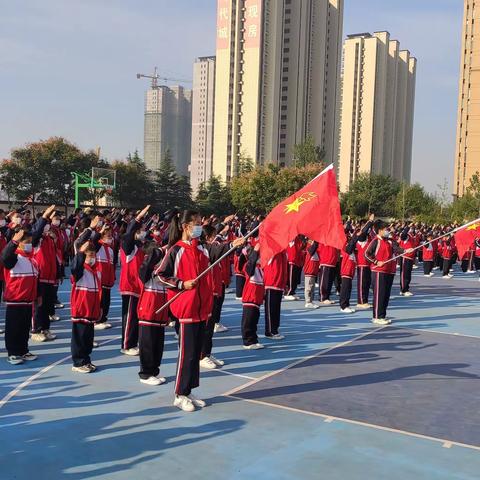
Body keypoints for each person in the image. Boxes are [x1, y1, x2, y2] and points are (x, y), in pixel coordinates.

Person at [156, 210, 213, 412]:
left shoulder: (202, 249)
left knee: (195, 353)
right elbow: (159, 275)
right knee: (186, 354)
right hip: (186, 309)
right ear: (185, 226)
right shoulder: (175, 251)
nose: (199, 226)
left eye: (201, 222)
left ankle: (188, 390)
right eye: (196, 223)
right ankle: (179, 394)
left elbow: (220, 251)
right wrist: (181, 284)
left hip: (201, 309)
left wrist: (235, 245)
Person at [1, 227, 39, 364]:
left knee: (24, 327)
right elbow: (4, 256)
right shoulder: (14, 257)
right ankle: (13, 352)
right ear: (19, 242)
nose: (29, 244)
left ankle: (23, 350)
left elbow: (36, 278)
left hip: (28, 300)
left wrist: (37, 295)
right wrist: (14, 242)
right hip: (15, 300)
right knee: (13, 327)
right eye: (26, 241)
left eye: (30, 241)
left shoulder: (32, 259)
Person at [365, 220, 414, 325]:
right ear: (379, 231)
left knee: (386, 294)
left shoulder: (390, 241)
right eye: (385, 229)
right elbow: (367, 254)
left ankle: (382, 315)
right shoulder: (375, 241)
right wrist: (376, 262)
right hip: (378, 271)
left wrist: (406, 251)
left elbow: (397, 249)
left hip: (389, 271)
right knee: (379, 294)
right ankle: (377, 316)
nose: (387, 231)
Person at [119, 205, 150, 355]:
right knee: (129, 317)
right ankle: (126, 345)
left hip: (138, 286)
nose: (144, 232)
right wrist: (137, 219)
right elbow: (129, 233)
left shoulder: (140, 247)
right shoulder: (128, 247)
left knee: (135, 316)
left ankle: (132, 342)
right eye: (141, 230)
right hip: (130, 286)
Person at [137, 242, 168, 386]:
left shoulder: (164, 271)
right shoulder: (146, 271)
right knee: (147, 345)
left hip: (160, 313)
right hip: (148, 312)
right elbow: (146, 265)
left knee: (158, 345)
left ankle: (154, 371)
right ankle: (145, 373)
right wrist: (160, 251)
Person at [70, 241, 102, 373]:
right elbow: (75, 266)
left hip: (91, 311)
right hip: (81, 310)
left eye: (94, 255)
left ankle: (86, 360)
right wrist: (81, 253)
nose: (92, 258)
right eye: (89, 255)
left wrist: (99, 308)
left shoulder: (96, 272)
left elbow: (98, 292)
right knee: (80, 338)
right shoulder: (80, 271)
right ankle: (78, 362)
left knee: (88, 339)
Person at [31, 205, 58, 342]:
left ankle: (45, 329)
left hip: (49, 278)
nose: (48, 226)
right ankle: (36, 330)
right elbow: (35, 232)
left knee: (47, 305)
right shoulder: (36, 240)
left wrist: (57, 275)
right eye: (46, 224)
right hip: (39, 277)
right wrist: (44, 217)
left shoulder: (50, 240)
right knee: (39, 305)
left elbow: (53, 259)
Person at [241, 243, 265, 349]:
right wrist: (255, 251)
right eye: (258, 256)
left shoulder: (260, 268)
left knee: (254, 321)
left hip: (257, 300)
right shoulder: (248, 266)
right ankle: (247, 341)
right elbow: (250, 268)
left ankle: (253, 339)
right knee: (248, 321)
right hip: (249, 299)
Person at [263, 251, 287, 340]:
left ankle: (275, 330)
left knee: (276, 309)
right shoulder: (271, 249)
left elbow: (284, 268)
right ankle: (269, 331)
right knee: (270, 309)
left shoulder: (283, 252)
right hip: (271, 282)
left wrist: (285, 283)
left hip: (279, 284)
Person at [303, 240, 320, 309]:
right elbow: (312, 249)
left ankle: (311, 301)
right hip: (309, 271)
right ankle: (308, 301)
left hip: (313, 271)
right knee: (308, 287)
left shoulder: (315, 250)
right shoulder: (309, 248)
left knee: (312, 287)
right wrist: (316, 240)